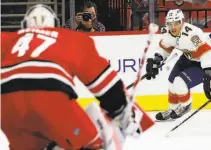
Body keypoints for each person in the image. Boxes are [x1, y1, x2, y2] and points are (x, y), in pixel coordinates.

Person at [1, 4, 154, 150]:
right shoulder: (67, 36)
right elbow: (103, 81)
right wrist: (121, 110)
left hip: (6, 106)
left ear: (24, 26)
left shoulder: (8, 38)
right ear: (55, 24)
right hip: (50, 100)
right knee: (94, 143)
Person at [145, 9, 211, 121]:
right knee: (171, 81)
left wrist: (208, 73)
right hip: (189, 55)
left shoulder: (193, 34)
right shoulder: (168, 33)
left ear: (182, 22)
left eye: (176, 23)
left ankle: (186, 105)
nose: (173, 27)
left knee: (179, 81)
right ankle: (172, 109)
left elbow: (207, 52)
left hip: (207, 59)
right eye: (170, 24)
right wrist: (156, 61)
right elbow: (165, 48)